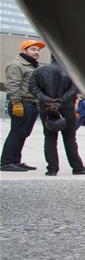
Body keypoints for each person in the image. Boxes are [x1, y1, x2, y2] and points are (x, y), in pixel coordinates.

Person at [28, 56, 85, 176]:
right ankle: (77, 167)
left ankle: (52, 169)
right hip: (66, 108)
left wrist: (48, 100)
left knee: (49, 138)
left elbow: (33, 89)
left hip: (46, 108)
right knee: (70, 139)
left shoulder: (39, 71)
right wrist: (60, 101)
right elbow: (74, 89)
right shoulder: (71, 71)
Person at [1, 39, 44, 171]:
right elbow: (12, 85)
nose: (36, 52)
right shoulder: (16, 64)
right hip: (22, 103)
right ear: (24, 50)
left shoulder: (33, 66)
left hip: (32, 103)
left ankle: (16, 161)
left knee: (24, 133)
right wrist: (16, 103)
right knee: (16, 133)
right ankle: (6, 162)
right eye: (33, 49)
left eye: (38, 50)